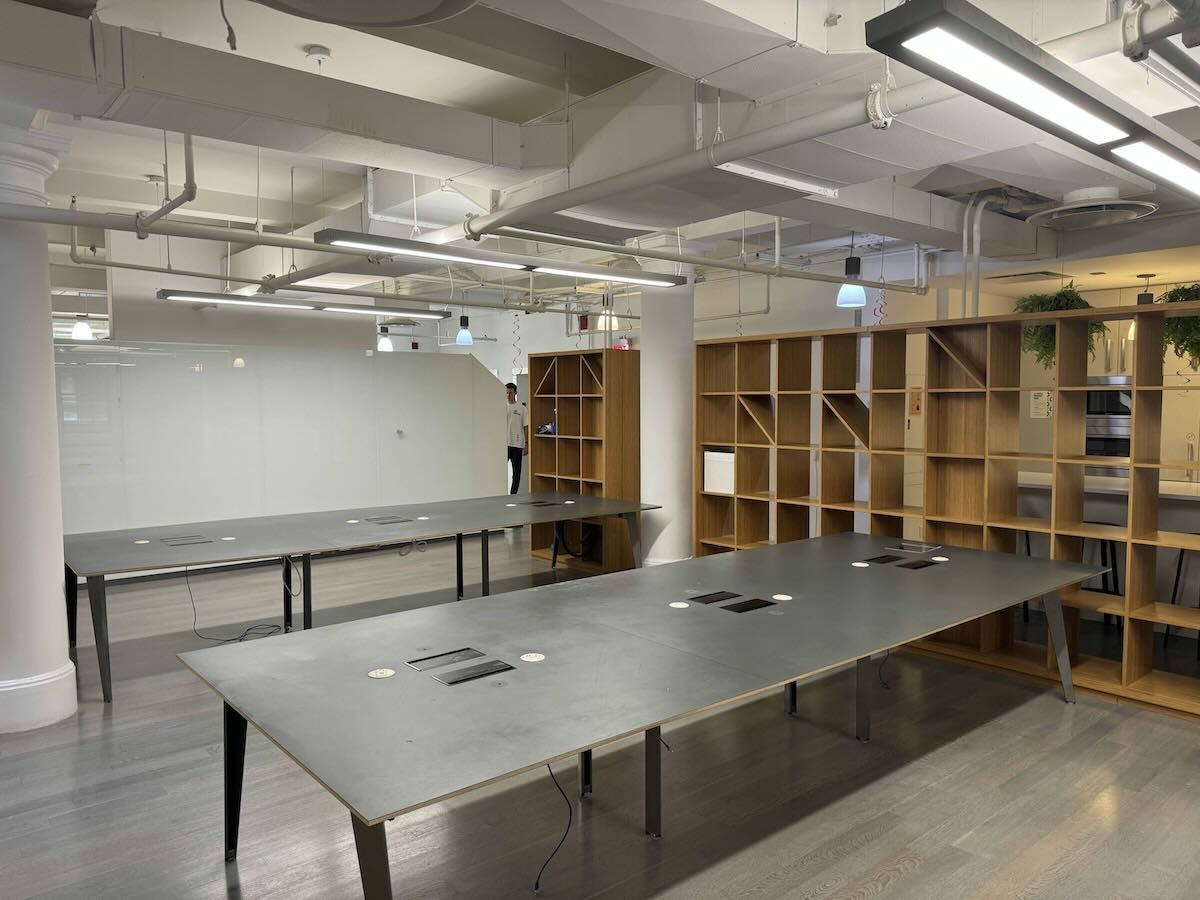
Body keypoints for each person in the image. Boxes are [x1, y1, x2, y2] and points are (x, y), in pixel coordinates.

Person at [505, 382, 528, 494]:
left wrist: (526, 444)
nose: (508, 395)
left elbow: (525, 426)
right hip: (504, 444)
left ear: (515, 392)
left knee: (517, 472)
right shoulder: (502, 407)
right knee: (499, 469)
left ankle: (513, 494)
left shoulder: (521, 408)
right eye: (507, 392)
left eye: (510, 392)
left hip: (517, 444)